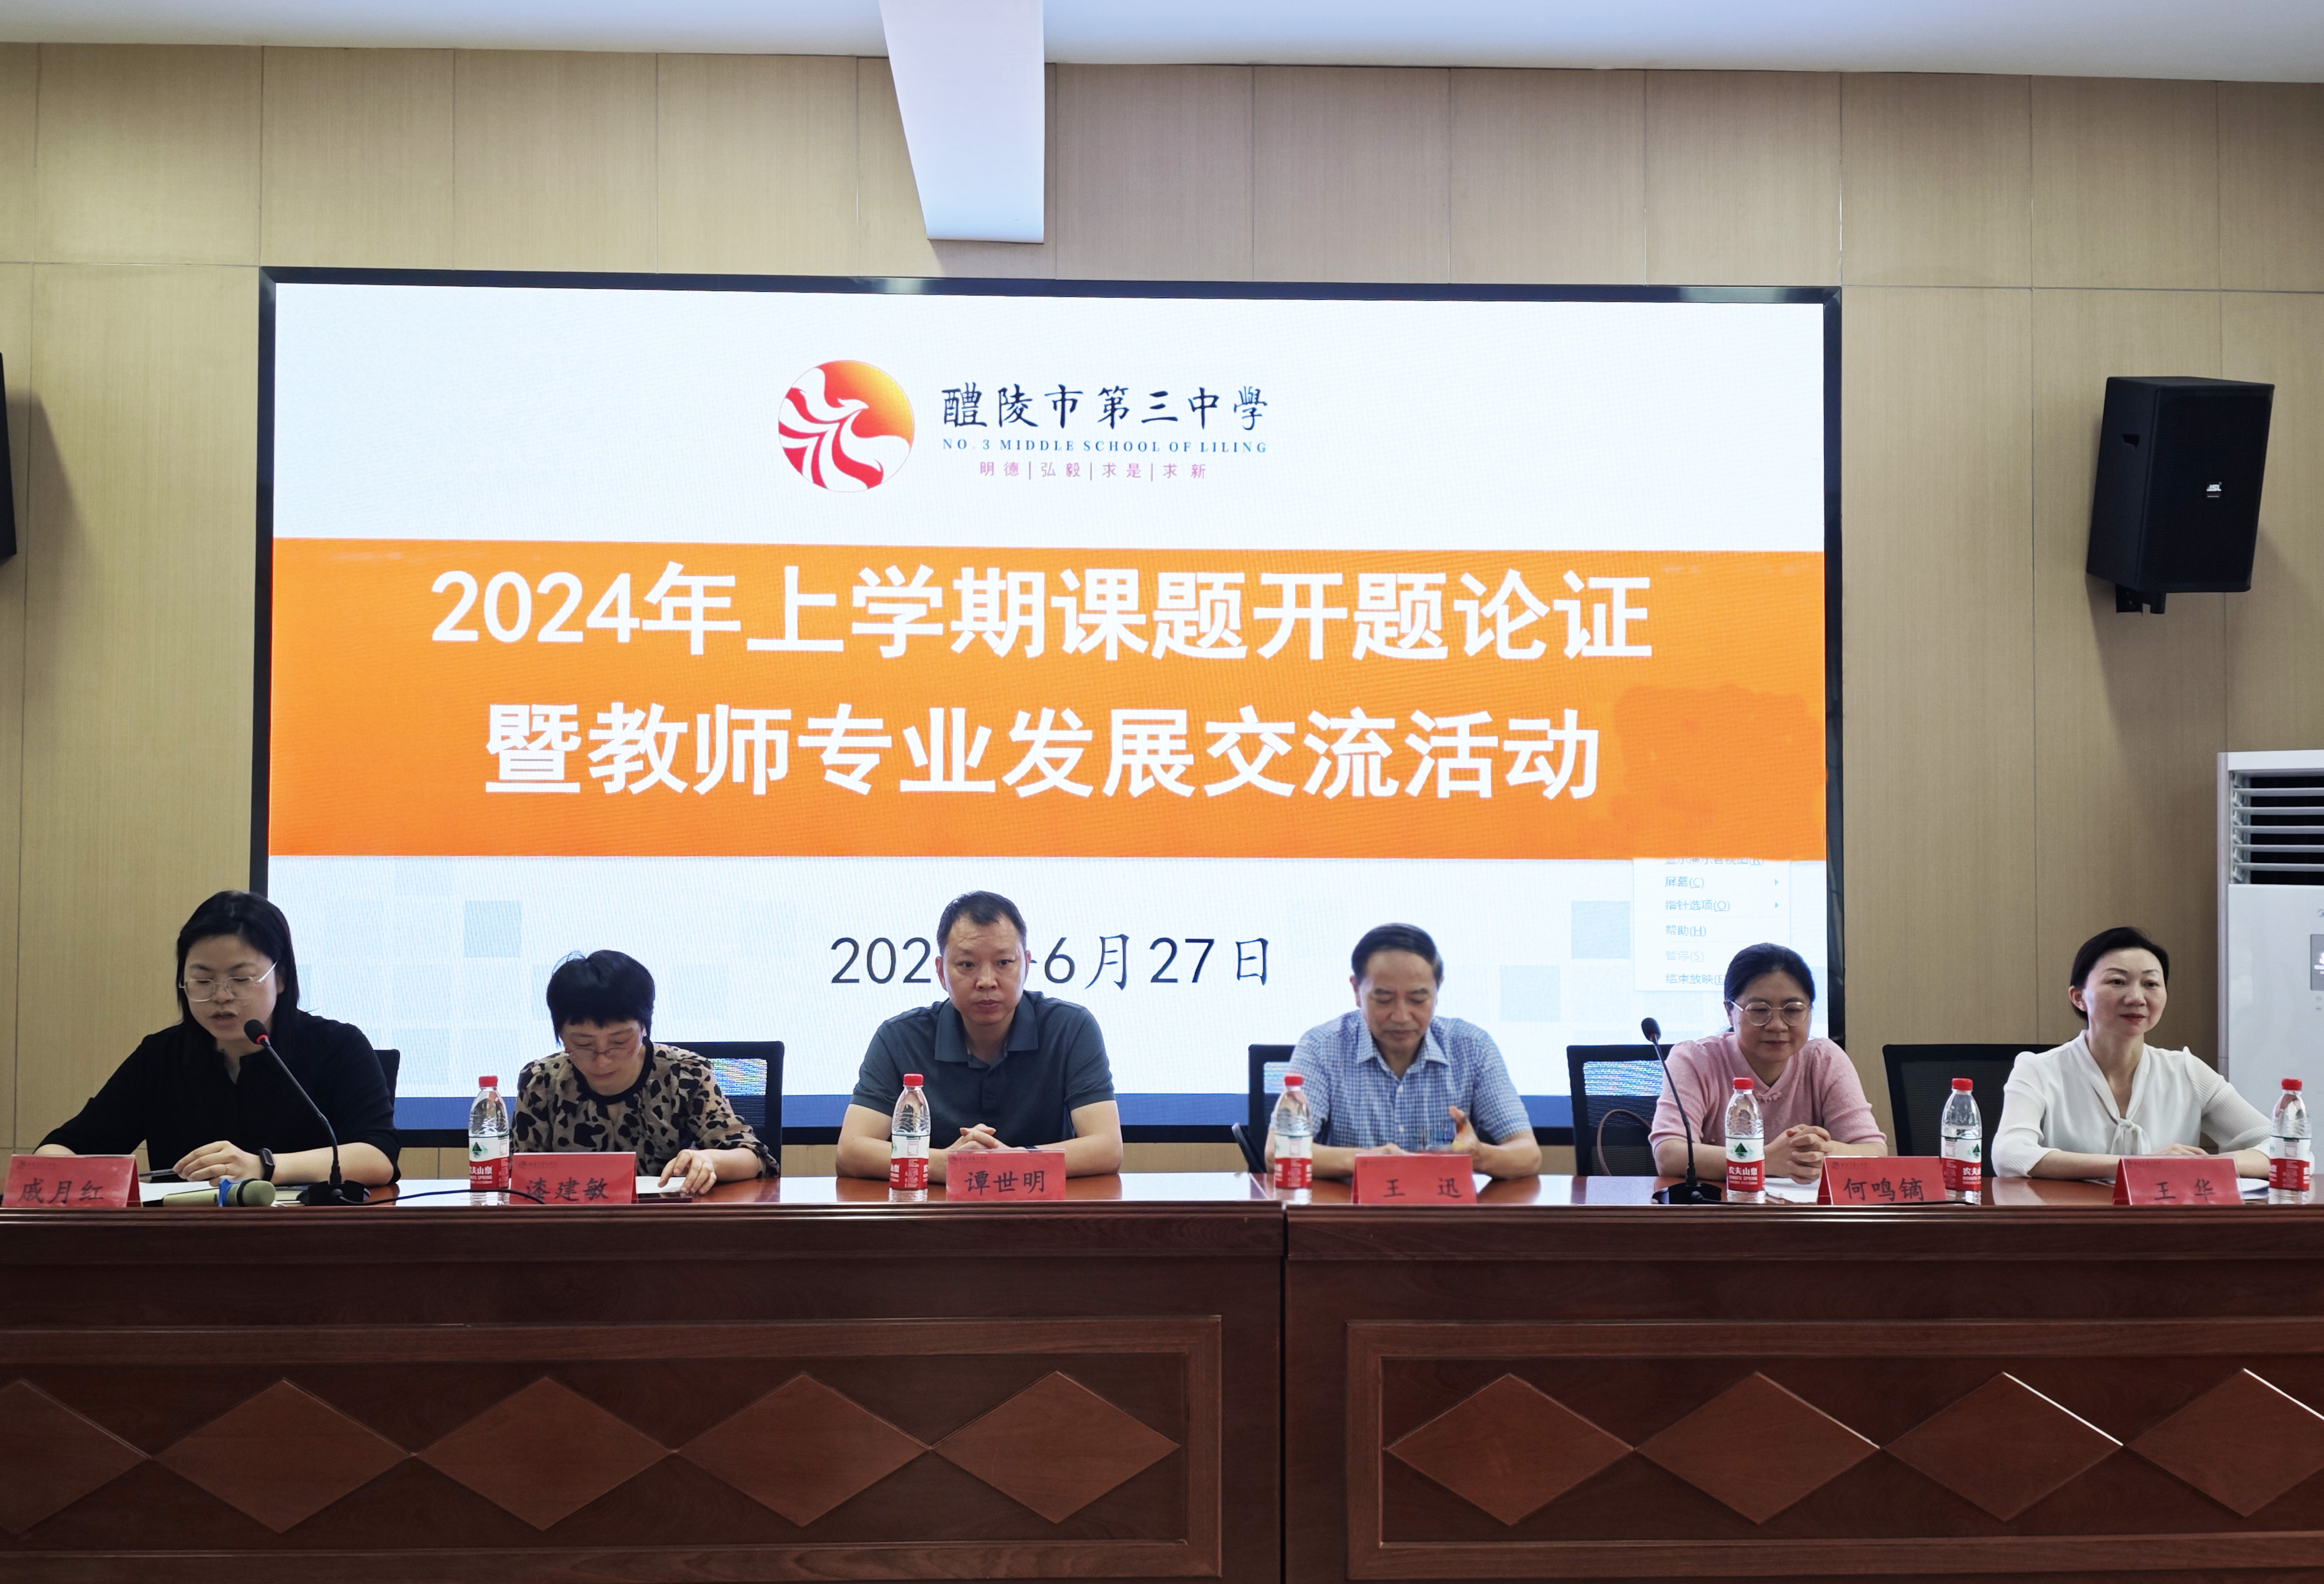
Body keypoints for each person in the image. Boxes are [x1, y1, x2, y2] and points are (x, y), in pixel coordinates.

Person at [38, 890, 398, 1186]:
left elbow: (377, 1157)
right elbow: (66, 1148)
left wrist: (264, 1167)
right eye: (202, 980)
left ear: (282, 978)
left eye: (240, 979)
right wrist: (56, 1165)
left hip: (308, 1238)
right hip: (185, 1242)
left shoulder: (337, 1047)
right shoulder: (161, 1056)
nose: (221, 996)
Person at [838, 891, 1122, 1181]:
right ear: (941, 972)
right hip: (935, 1207)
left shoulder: (1071, 1028)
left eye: (1004, 963)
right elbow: (851, 1151)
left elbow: (1107, 1148)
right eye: (967, 965)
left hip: (1039, 1207)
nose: (987, 981)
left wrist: (1012, 1161)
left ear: (1026, 965)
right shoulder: (899, 1038)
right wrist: (945, 1164)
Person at [1267, 923, 1541, 1180]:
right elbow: (1278, 1151)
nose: (1401, 1016)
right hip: (1348, 1211)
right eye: (1384, 999)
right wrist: (1374, 1160)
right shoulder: (1321, 1048)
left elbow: (1527, 1154)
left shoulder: (1473, 1048)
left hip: (1444, 1211)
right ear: (1357, 991)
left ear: (1438, 989)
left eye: (1417, 999)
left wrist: (1478, 1156)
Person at [1993, 926, 2270, 1180]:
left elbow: (2281, 1148)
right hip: (2072, 1217)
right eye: (2117, 982)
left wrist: (2201, 1165)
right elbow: (2010, 1154)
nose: (2137, 998)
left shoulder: (2188, 1072)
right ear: (2079, 997)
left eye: (2151, 984)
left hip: (2163, 1217)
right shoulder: (2039, 1070)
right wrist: (2139, 1165)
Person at [511, 950, 776, 1194]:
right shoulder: (541, 1081)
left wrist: (710, 1159)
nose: (602, 1059)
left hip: (664, 1222)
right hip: (571, 1223)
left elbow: (755, 1158)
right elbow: (518, 1177)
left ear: (645, 1028)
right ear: (560, 1034)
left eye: (619, 1042)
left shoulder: (685, 1074)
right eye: (583, 1044)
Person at [1650, 943, 1886, 1183]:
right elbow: (1669, 1155)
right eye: (1760, 1010)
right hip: (1720, 1205)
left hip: (1805, 1207)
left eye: (1793, 1010)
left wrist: (1820, 1151)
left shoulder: (1824, 1060)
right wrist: (1764, 1160)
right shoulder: (1695, 1060)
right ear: (1730, 1011)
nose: (1777, 1025)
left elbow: (1874, 1152)